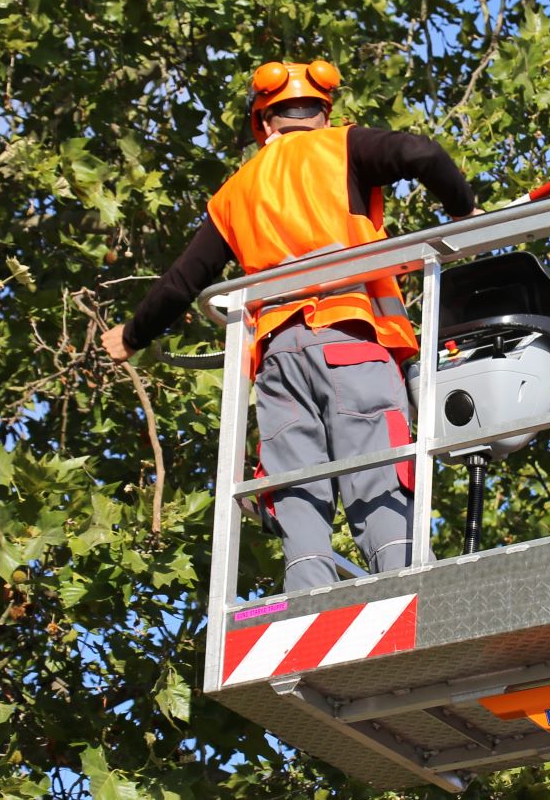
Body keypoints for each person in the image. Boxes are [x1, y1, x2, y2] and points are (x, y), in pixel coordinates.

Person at [101, 58, 476, 592]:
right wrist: (463, 210)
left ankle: (308, 602)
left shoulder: (236, 190)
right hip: (349, 341)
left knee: (295, 484)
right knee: (377, 469)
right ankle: (408, 586)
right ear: (324, 114)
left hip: (279, 362)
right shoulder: (341, 146)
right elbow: (423, 154)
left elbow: (181, 282)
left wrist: (131, 336)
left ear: (263, 124)